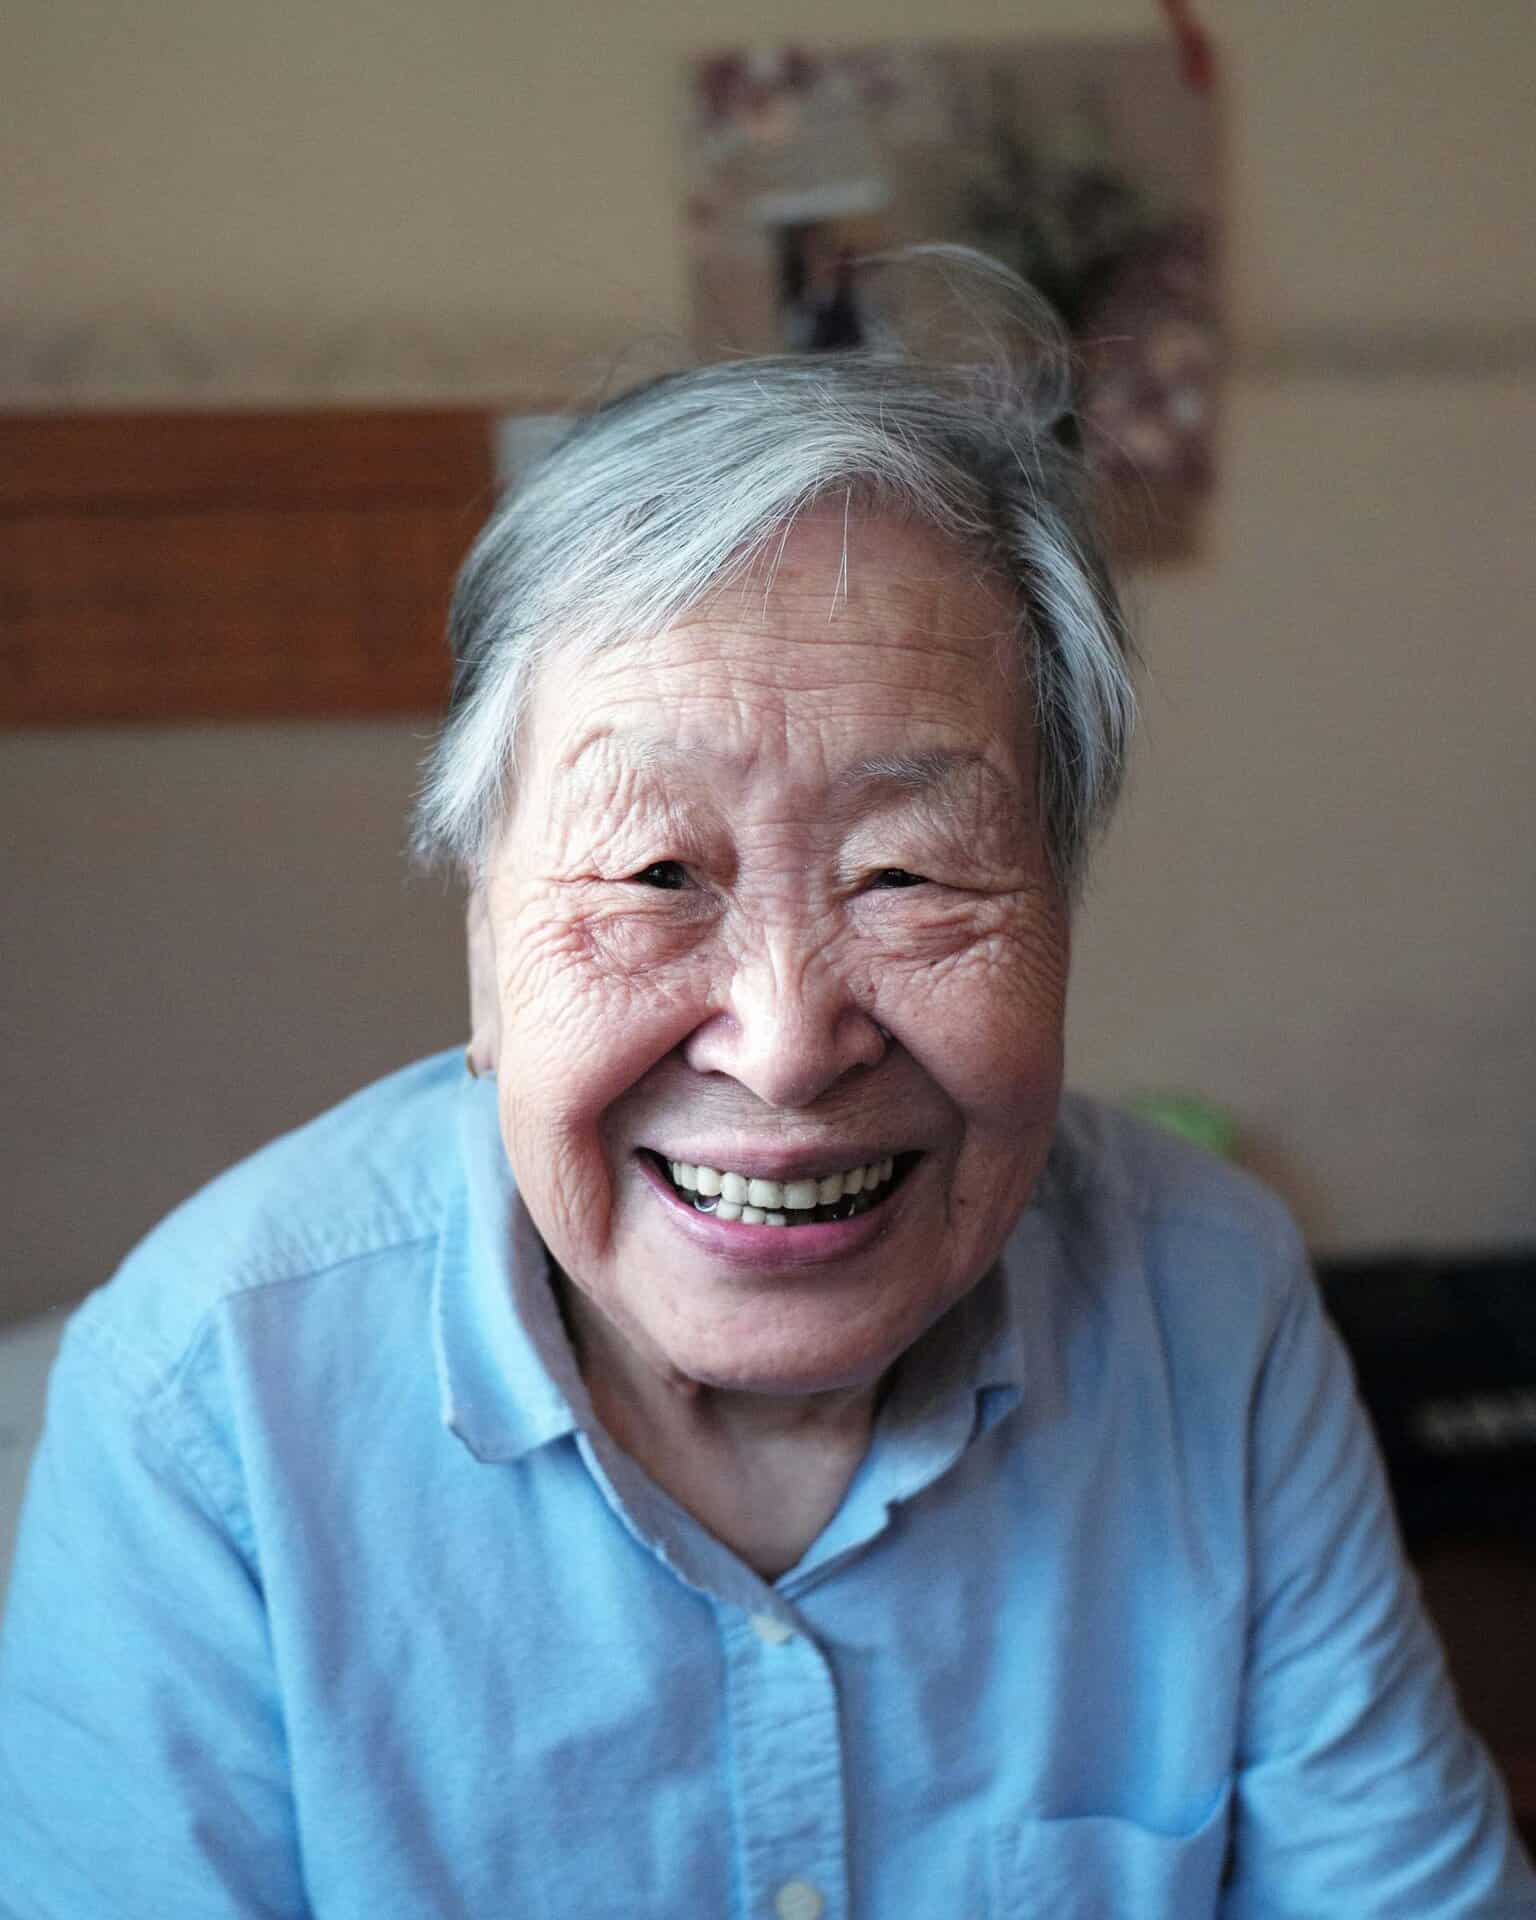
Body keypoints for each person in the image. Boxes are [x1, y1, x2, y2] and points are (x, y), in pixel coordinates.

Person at [2, 253, 1532, 1919]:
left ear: (1065, 919)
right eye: (655, 872)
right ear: (486, 951)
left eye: (911, 875)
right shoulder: (203, 1401)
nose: (788, 1040)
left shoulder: (1210, 1302)